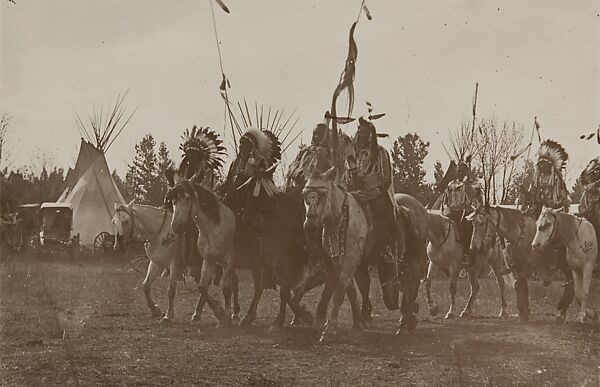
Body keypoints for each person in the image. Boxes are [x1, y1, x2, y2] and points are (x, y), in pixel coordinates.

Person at [347, 117, 398, 270]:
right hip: (354, 192)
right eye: (359, 132)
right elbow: (346, 172)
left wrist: (367, 181)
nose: (361, 135)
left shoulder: (380, 152)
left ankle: (385, 249)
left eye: (364, 133)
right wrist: (352, 178)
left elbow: (386, 178)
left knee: (384, 215)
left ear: (371, 135)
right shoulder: (352, 153)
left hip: (375, 192)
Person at [441, 159, 481, 266]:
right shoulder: (450, 184)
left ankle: (466, 254)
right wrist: (446, 211)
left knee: (466, 227)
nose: (459, 173)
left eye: (462, 171)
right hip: (451, 212)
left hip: (466, 212)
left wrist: (466, 183)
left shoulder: (474, 183)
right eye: (458, 171)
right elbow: (445, 200)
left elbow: (473, 195)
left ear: (467, 172)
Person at [522, 139, 570, 218]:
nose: (542, 166)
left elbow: (563, 202)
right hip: (536, 214)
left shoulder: (558, 181)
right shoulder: (536, 181)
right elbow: (531, 198)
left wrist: (550, 204)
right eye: (540, 164)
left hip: (553, 216)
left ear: (551, 166)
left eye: (544, 164)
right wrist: (524, 192)